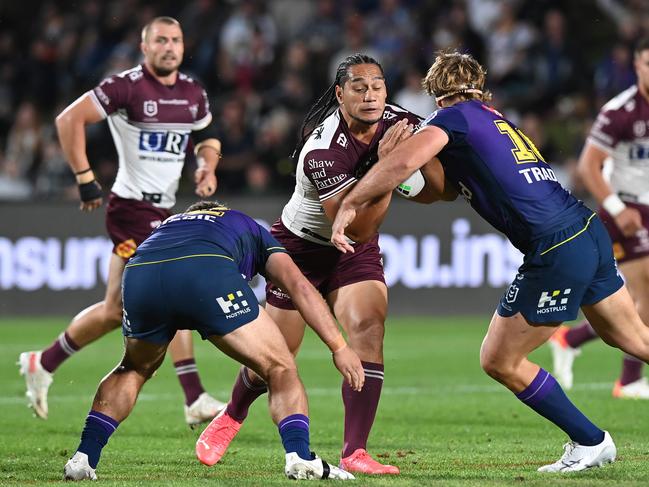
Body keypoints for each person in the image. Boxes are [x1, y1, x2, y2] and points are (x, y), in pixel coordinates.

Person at [331, 51, 649, 473]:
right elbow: (440, 191)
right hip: (586, 230)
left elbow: (407, 162)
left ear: (436, 95)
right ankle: (589, 441)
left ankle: (590, 441)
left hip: (555, 246)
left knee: (499, 360)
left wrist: (353, 200)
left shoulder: (453, 118)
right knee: (636, 340)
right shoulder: (493, 118)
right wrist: (399, 173)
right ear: (480, 87)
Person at [196, 54, 426, 475]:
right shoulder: (322, 150)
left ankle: (354, 451)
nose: (370, 94)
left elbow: (434, 167)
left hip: (353, 253)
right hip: (299, 249)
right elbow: (354, 225)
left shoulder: (401, 123)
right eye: (358, 87)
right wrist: (390, 170)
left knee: (369, 331)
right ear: (340, 94)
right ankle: (232, 414)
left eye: (377, 85)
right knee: (274, 358)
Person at [18, 16, 225, 426]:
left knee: (115, 309)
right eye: (160, 40)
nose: (169, 46)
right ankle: (194, 395)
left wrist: (207, 165)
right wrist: (85, 179)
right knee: (178, 289)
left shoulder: (192, 92)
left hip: (162, 208)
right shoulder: (125, 86)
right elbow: (68, 120)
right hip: (131, 208)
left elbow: (207, 137)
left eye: (176, 40)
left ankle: (43, 362)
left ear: (183, 47)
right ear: (144, 47)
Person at [63, 201, 362, 481]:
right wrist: (339, 346)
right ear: (219, 210)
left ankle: (83, 457)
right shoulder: (242, 223)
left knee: (133, 369)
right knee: (280, 367)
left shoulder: (168, 225)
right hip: (206, 271)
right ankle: (300, 456)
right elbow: (299, 286)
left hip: (141, 272)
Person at [548, 38, 649, 399]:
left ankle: (571, 338)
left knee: (641, 300)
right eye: (647, 64)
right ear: (636, 66)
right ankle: (629, 379)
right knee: (645, 294)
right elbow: (590, 167)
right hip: (626, 209)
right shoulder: (620, 111)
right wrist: (620, 212)